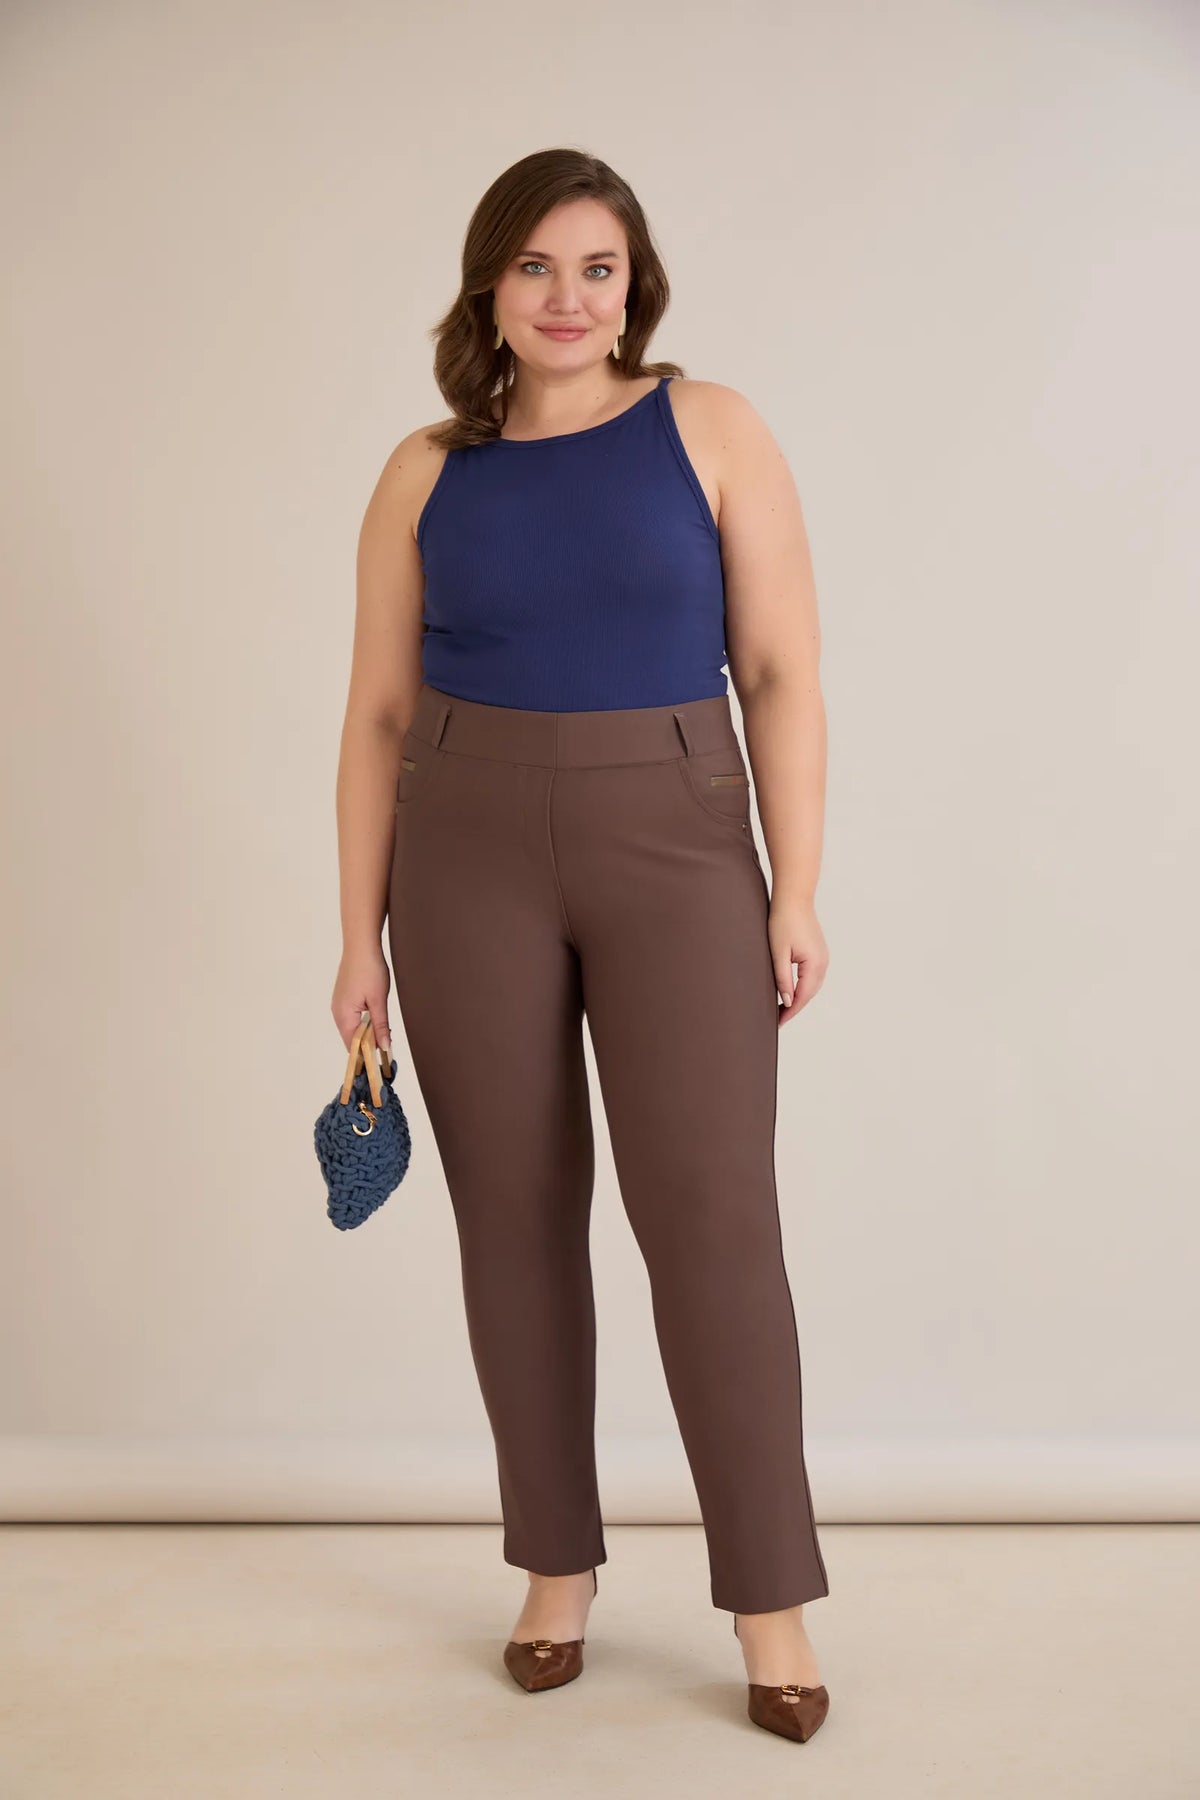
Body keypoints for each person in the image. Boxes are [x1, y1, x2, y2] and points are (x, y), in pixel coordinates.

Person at [331, 147, 832, 1744]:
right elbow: (378, 713)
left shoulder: (711, 428)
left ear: (635, 286)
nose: (567, 297)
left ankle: (771, 1601)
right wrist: (357, 937)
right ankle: (555, 1567)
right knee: (513, 1221)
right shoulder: (425, 469)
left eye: (597, 267)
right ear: (490, 286)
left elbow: (780, 672)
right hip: (461, 849)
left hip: (676, 839)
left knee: (713, 1221)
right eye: (536, 267)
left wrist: (795, 888)